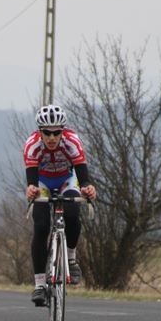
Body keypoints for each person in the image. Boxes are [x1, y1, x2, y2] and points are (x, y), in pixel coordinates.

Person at [23, 104, 96, 306]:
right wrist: (31, 190)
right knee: (41, 226)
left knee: (72, 213)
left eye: (57, 133)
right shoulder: (32, 145)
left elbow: (83, 176)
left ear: (63, 131)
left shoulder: (72, 141)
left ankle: (71, 259)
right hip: (43, 183)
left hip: (67, 180)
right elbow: (31, 180)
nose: (52, 137)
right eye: (47, 133)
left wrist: (88, 188)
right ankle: (39, 285)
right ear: (40, 132)